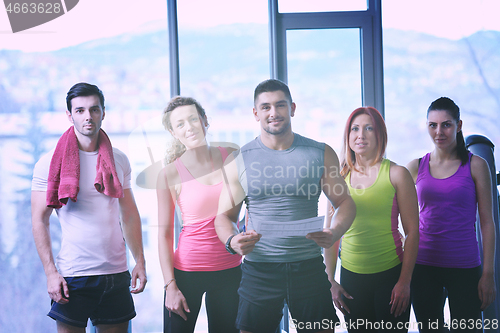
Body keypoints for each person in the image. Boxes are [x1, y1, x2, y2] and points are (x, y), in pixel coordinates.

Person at [214, 79, 356, 333]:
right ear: (255, 113)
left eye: (280, 105)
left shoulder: (320, 153)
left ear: (292, 108)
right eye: (266, 107)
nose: (274, 112)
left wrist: (333, 233)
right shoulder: (240, 160)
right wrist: (232, 241)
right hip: (259, 269)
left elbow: (345, 203)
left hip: (309, 266)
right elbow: (223, 217)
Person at [31, 82, 147, 333]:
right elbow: (40, 220)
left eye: (94, 110)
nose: (88, 117)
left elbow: (129, 214)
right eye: (80, 110)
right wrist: (51, 273)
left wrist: (140, 261)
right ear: (69, 115)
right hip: (74, 275)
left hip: (116, 273)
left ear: (103, 113)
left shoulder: (119, 159)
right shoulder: (49, 163)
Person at [325, 107, 419, 332]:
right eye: (355, 129)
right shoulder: (337, 178)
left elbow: (413, 232)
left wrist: (404, 282)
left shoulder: (397, 174)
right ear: (347, 136)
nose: (361, 135)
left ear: (380, 135)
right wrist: (330, 281)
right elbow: (330, 235)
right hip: (351, 281)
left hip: (391, 277)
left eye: (369, 128)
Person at [407, 97, 497, 333]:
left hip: (465, 268)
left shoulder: (476, 165)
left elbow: (487, 222)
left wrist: (488, 274)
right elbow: (385, 202)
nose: (439, 132)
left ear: (458, 125)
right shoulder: (416, 166)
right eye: (432, 125)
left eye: (446, 124)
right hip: (424, 265)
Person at [156, 96, 244, 333]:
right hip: (187, 273)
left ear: (205, 120)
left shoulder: (233, 156)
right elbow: (164, 234)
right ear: (173, 132)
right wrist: (170, 287)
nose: (189, 127)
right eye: (180, 124)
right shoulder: (169, 174)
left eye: (193, 119)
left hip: (230, 271)